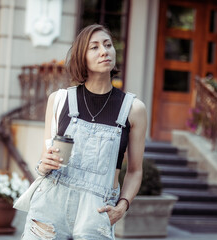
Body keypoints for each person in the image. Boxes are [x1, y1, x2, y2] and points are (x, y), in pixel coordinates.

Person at [20, 24, 147, 239]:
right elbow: (46, 157)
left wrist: (122, 206)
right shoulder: (59, 100)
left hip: (96, 211)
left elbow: (135, 170)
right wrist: (43, 164)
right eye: (94, 47)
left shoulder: (133, 109)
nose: (104, 51)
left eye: (108, 45)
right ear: (82, 57)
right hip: (51, 202)